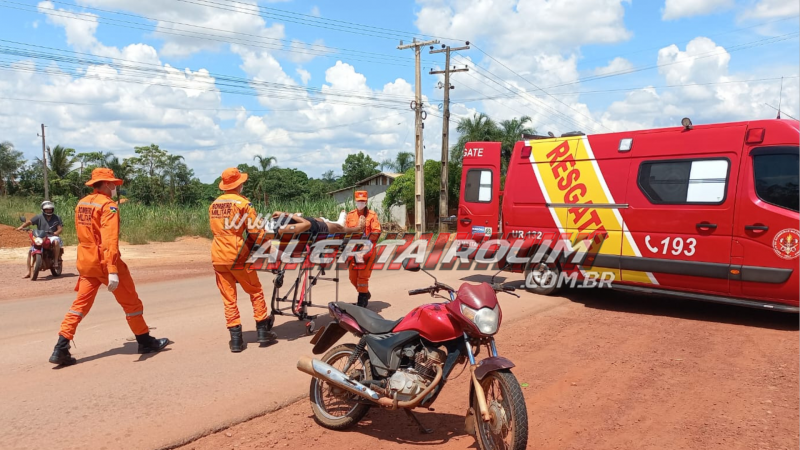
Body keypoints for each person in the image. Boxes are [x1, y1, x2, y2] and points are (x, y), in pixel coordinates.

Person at [49, 168, 169, 366]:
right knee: (131, 304)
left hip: (86, 263)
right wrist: (112, 270)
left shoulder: (82, 203)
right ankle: (145, 341)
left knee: (79, 307)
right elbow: (109, 240)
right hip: (105, 262)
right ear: (105, 184)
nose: (114, 187)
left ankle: (61, 347)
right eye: (112, 184)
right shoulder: (108, 206)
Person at [210, 167, 277, 353]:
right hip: (237, 254)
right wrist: (269, 244)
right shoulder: (243, 204)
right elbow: (256, 232)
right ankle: (263, 332)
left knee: (228, 298)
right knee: (255, 291)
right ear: (238, 184)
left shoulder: (214, 204)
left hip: (218, 255)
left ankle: (236, 340)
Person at [345, 191, 381, 308]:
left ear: (366, 201)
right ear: (355, 201)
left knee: (363, 276)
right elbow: (345, 231)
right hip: (353, 249)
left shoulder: (372, 215)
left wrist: (367, 241)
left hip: (367, 249)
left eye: (363, 201)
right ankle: (365, 293)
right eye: (359, 201)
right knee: (352, 277)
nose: (361, 203)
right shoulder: (350, 215)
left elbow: (376, 231)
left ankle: (362, 301)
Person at [17, 200, 64, 278]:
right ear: (43, 209)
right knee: (30, 251)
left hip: (52, 236)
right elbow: (29, 222)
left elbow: (60, 228)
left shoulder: (56, 217)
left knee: (56, 242)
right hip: (41, 236)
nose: (49, 210)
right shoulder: (39, 217)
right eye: (47, 209)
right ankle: (29, 271)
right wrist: (21, 227)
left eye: (50, 209)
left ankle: (55, 261)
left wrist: (56, 233)